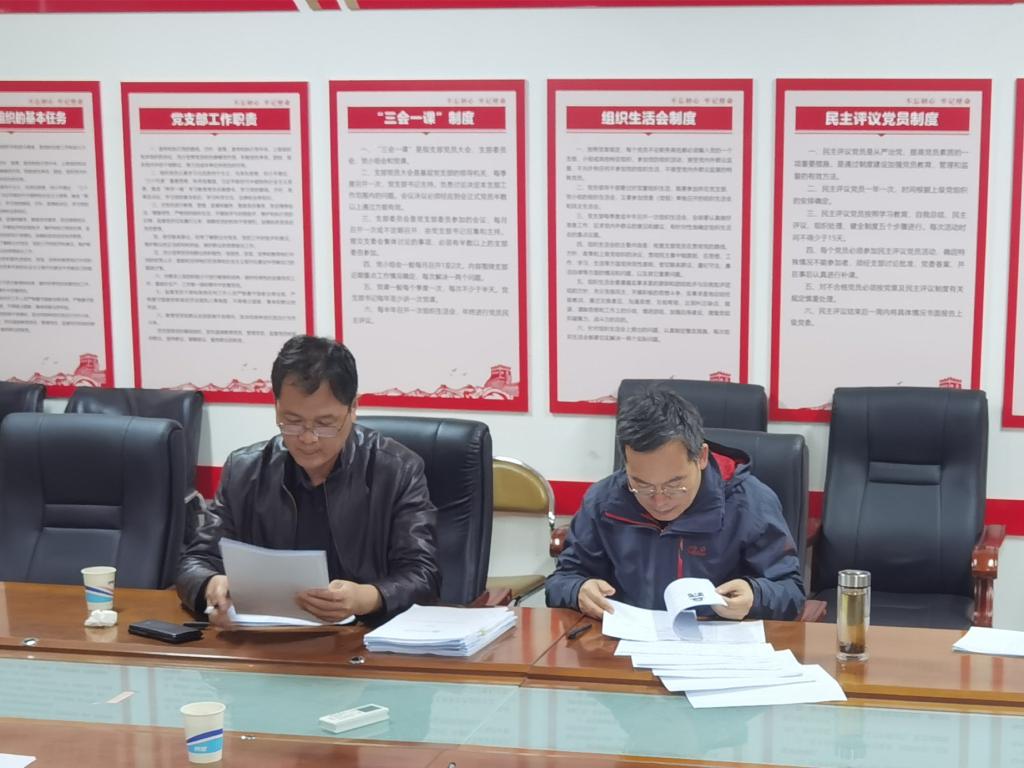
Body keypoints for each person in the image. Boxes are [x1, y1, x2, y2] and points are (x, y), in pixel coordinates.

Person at [176, 334, 440, 626]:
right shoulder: (245, 470)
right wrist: (212, 585)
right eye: (293, 421)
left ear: (353, 408)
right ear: (276, 406)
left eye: (325, 424)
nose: (308, 438)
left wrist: (366, 598)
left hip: (362, 640)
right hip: (265, 640)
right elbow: (195, 562)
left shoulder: (397, 470)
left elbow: (423, 575)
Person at [546, 388, 804, 621]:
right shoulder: (603, 500)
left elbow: (790, 590)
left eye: (674, 484)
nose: (659, 501)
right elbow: (563, 579)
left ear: (701, 457)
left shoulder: (750, 502)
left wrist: (756, 596)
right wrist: (577, 590)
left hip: (717, 644)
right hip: (628, 644)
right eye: (642, 485)